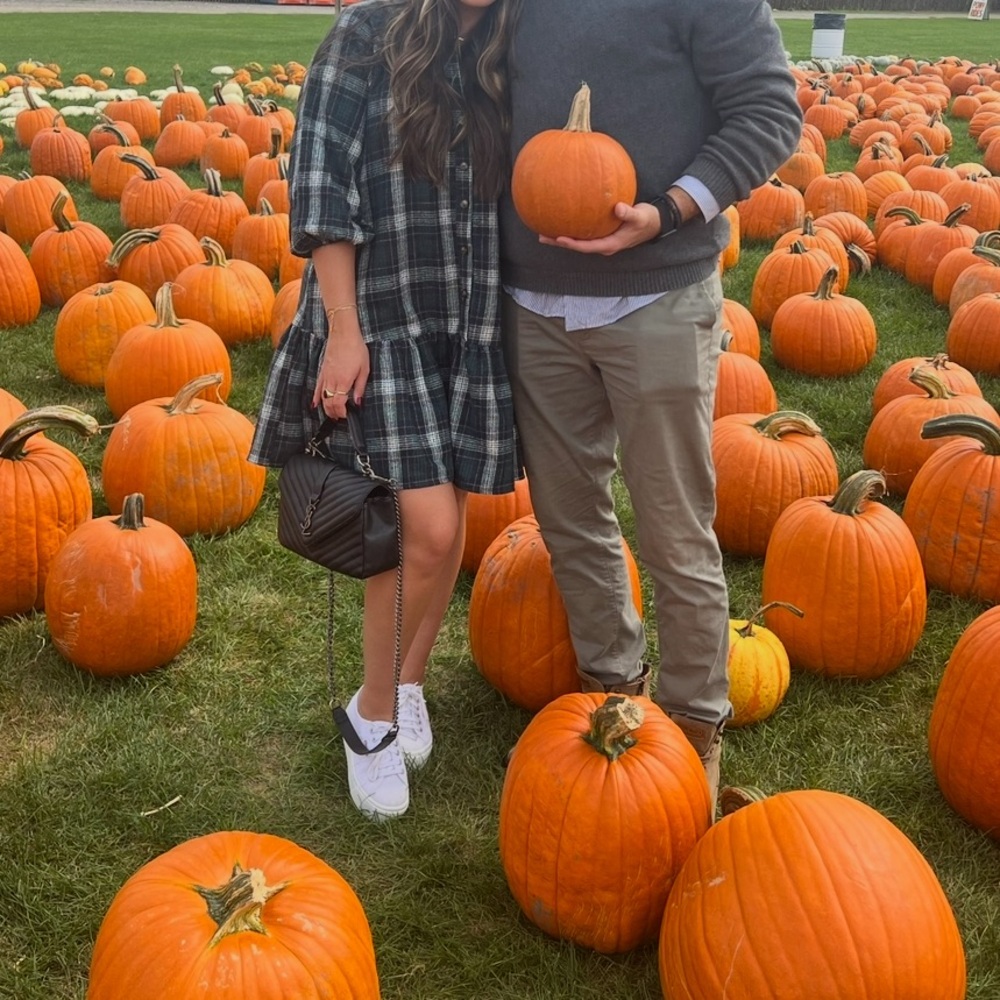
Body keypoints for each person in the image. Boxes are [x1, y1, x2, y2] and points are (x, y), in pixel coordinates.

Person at [499, 0, 802, 816]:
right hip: (533, 302)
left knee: (674, 524)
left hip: (658, 295)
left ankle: (695, 723)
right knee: (568, 515)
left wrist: (668, 209)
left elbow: (771, 109)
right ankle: (614, 696)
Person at [250, 0, 522, 821]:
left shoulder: (512, 40)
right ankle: (368, 715)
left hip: (470, 319)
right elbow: (322, 183)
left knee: (460, 497)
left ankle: (408, 682)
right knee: (424, 528)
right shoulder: (366, 34)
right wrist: (341, 329)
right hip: (382, 317)